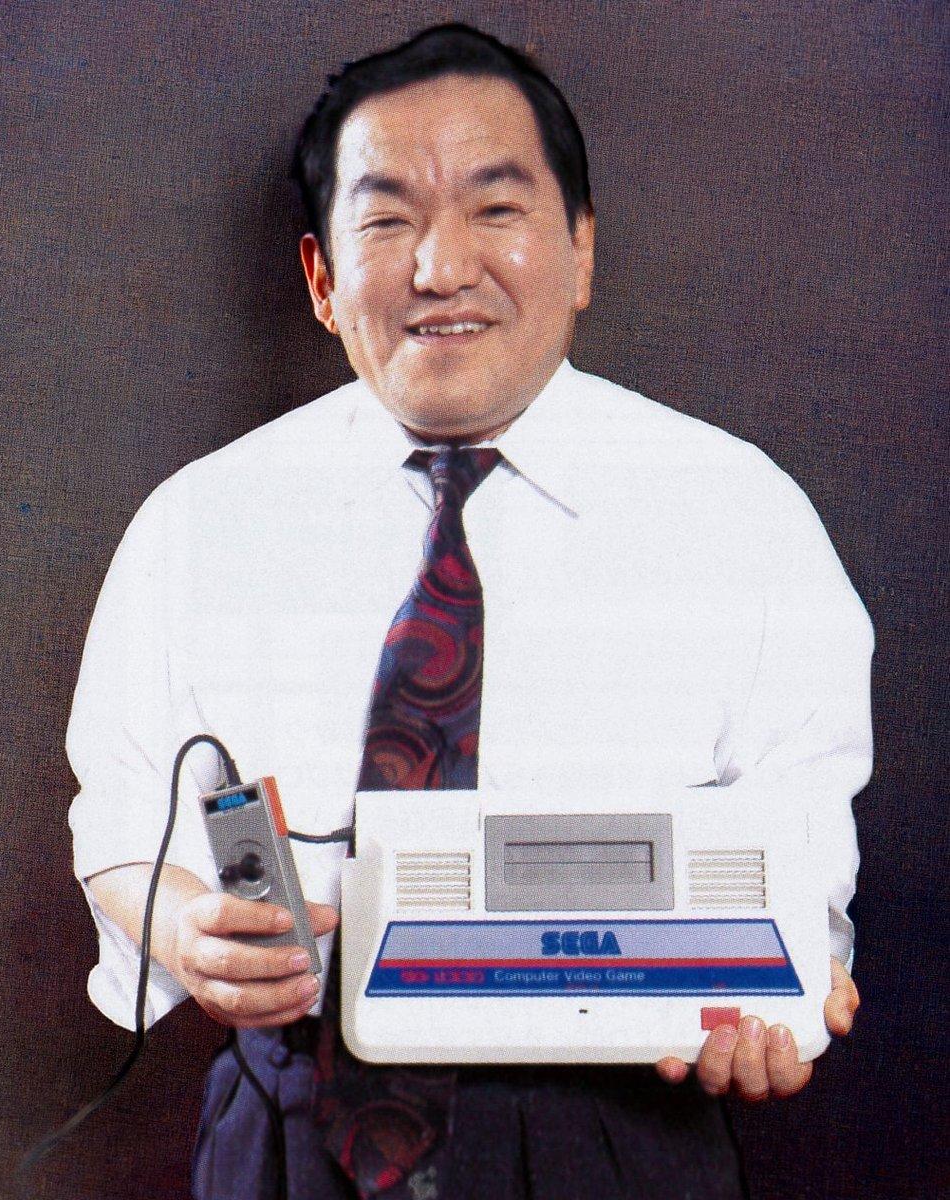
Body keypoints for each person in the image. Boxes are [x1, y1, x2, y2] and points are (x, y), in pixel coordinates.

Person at [67, 23, 870, 1200]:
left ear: (581, 250)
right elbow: (120, 819)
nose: (441, 268)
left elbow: (800, 853)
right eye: (386, 220)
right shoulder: (199, 522)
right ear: (321, 279)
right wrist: (186, 929)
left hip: (616, 1137)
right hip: (286, 1135)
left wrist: (776, 1002)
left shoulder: (741, 518)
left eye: (496, 210)